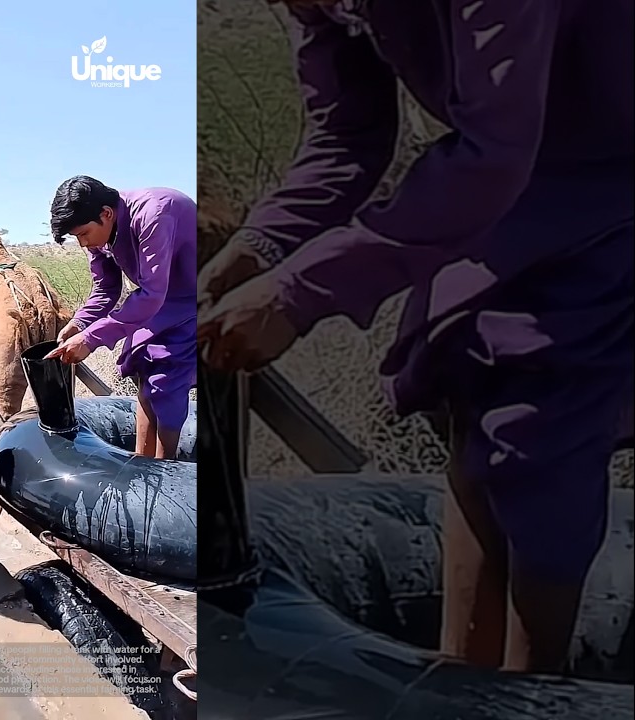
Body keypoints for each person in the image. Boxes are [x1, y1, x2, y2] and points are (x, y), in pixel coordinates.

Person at [199, 0, 633, 675]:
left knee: (540, 423)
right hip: (519, 163)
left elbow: (493, 156)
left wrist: (297, 293)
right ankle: (458, 683)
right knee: (465, 368)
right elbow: (349, 135)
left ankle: (537, 692)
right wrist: (261, 247)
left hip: (607, 170)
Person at [46, 176, 197, 459]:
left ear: (106, 213)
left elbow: (152, 293)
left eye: (83, 234)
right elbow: (106, 289)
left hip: (196, 298)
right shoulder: (99, 234)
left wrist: (91, 338)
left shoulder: (154, 214)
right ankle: (142, 462)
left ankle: (167, 470)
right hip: (161, 299)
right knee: (143, 363)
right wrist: (80, 324)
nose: (82, 244)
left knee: (166, 378)